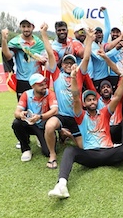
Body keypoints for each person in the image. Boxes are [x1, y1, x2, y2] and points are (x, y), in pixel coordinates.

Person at [47, 64, 123, 198]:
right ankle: (61, 185)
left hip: (109, 152)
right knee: (69, 150)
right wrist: (73, 78)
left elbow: (118, 96)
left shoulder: (105, 112)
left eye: (93, 99)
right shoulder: (80, 116)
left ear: (97, 101)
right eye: (88, 100)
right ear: (84, 104)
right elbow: (75, 96)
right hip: (90, 155)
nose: (92, 102)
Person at [40, 23, 94, 169]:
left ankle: (67, 134)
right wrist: (44, 34)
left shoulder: (80, 75)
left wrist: (89, 38)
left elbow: (87, 57)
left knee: (85, 150)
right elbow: (50, 53)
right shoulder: (57, 74)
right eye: (66, 63)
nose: (69, 65)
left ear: (75, 64)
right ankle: (52, 155)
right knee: (50, 126)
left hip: (77, 117)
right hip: (62, 115)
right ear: (62, 65)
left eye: (72, 62)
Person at [1, 19, 47, 149]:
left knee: (39, 108)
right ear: (20, 27)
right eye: (23, 26)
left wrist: (44, 60)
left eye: (28, 26)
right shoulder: (15, 42)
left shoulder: (38, 43)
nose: (26, 29)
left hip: (37, 80)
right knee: (23, 109)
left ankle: (40, 135)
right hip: (22, 80)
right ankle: (24, 137)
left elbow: (45, 57)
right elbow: (8, 56)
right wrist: (4, 40)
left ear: (33, 27)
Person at [12, 73, 58, 162]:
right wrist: (21, 114)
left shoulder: (50, 93)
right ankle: (25, 149)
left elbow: (55, 110)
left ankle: (42, 137)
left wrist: (40, 117)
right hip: (31, 124)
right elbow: (16, 113)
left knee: (47, 152)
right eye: (41, 85)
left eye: (44, 83)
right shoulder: (26, 94)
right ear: (33, 86)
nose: (44, 86)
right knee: (16, 123)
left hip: (44, 126)